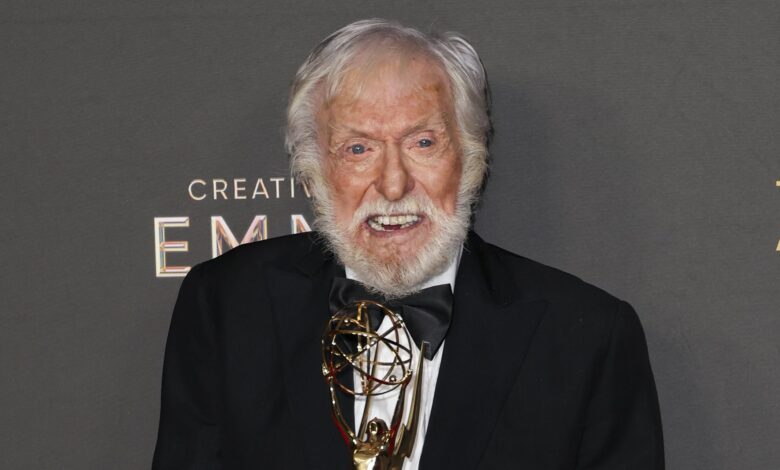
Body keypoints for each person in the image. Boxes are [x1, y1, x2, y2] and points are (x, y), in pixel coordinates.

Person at [152, 19, 664, 469]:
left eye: (423, 142)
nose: (393, 184)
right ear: (312, 172)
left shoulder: (585, 338)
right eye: (358, 148)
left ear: (470, 159)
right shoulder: (226, 305)